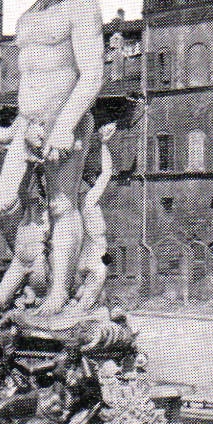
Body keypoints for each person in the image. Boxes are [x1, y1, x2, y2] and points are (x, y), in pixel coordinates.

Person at [0, 0, 104, 317]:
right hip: (28, 127)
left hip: (67, 123)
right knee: (4, 204)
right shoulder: (25, 21)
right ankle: (32, 265)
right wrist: (10, 130)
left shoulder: (83, 7)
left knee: (62, 205)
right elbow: (30, 85)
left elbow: (92, 75)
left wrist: (65, 125)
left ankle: (59, 292)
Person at [71, 122, 117, 312]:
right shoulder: (89, 200)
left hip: (83, 257)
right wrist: (104, 145)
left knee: (97, 283)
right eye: (92, 178)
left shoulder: (74, 204)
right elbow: (107, 173)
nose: (94, 180)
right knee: (100, 274)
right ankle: (81, 309)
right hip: (95, 254)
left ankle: (84, 302)